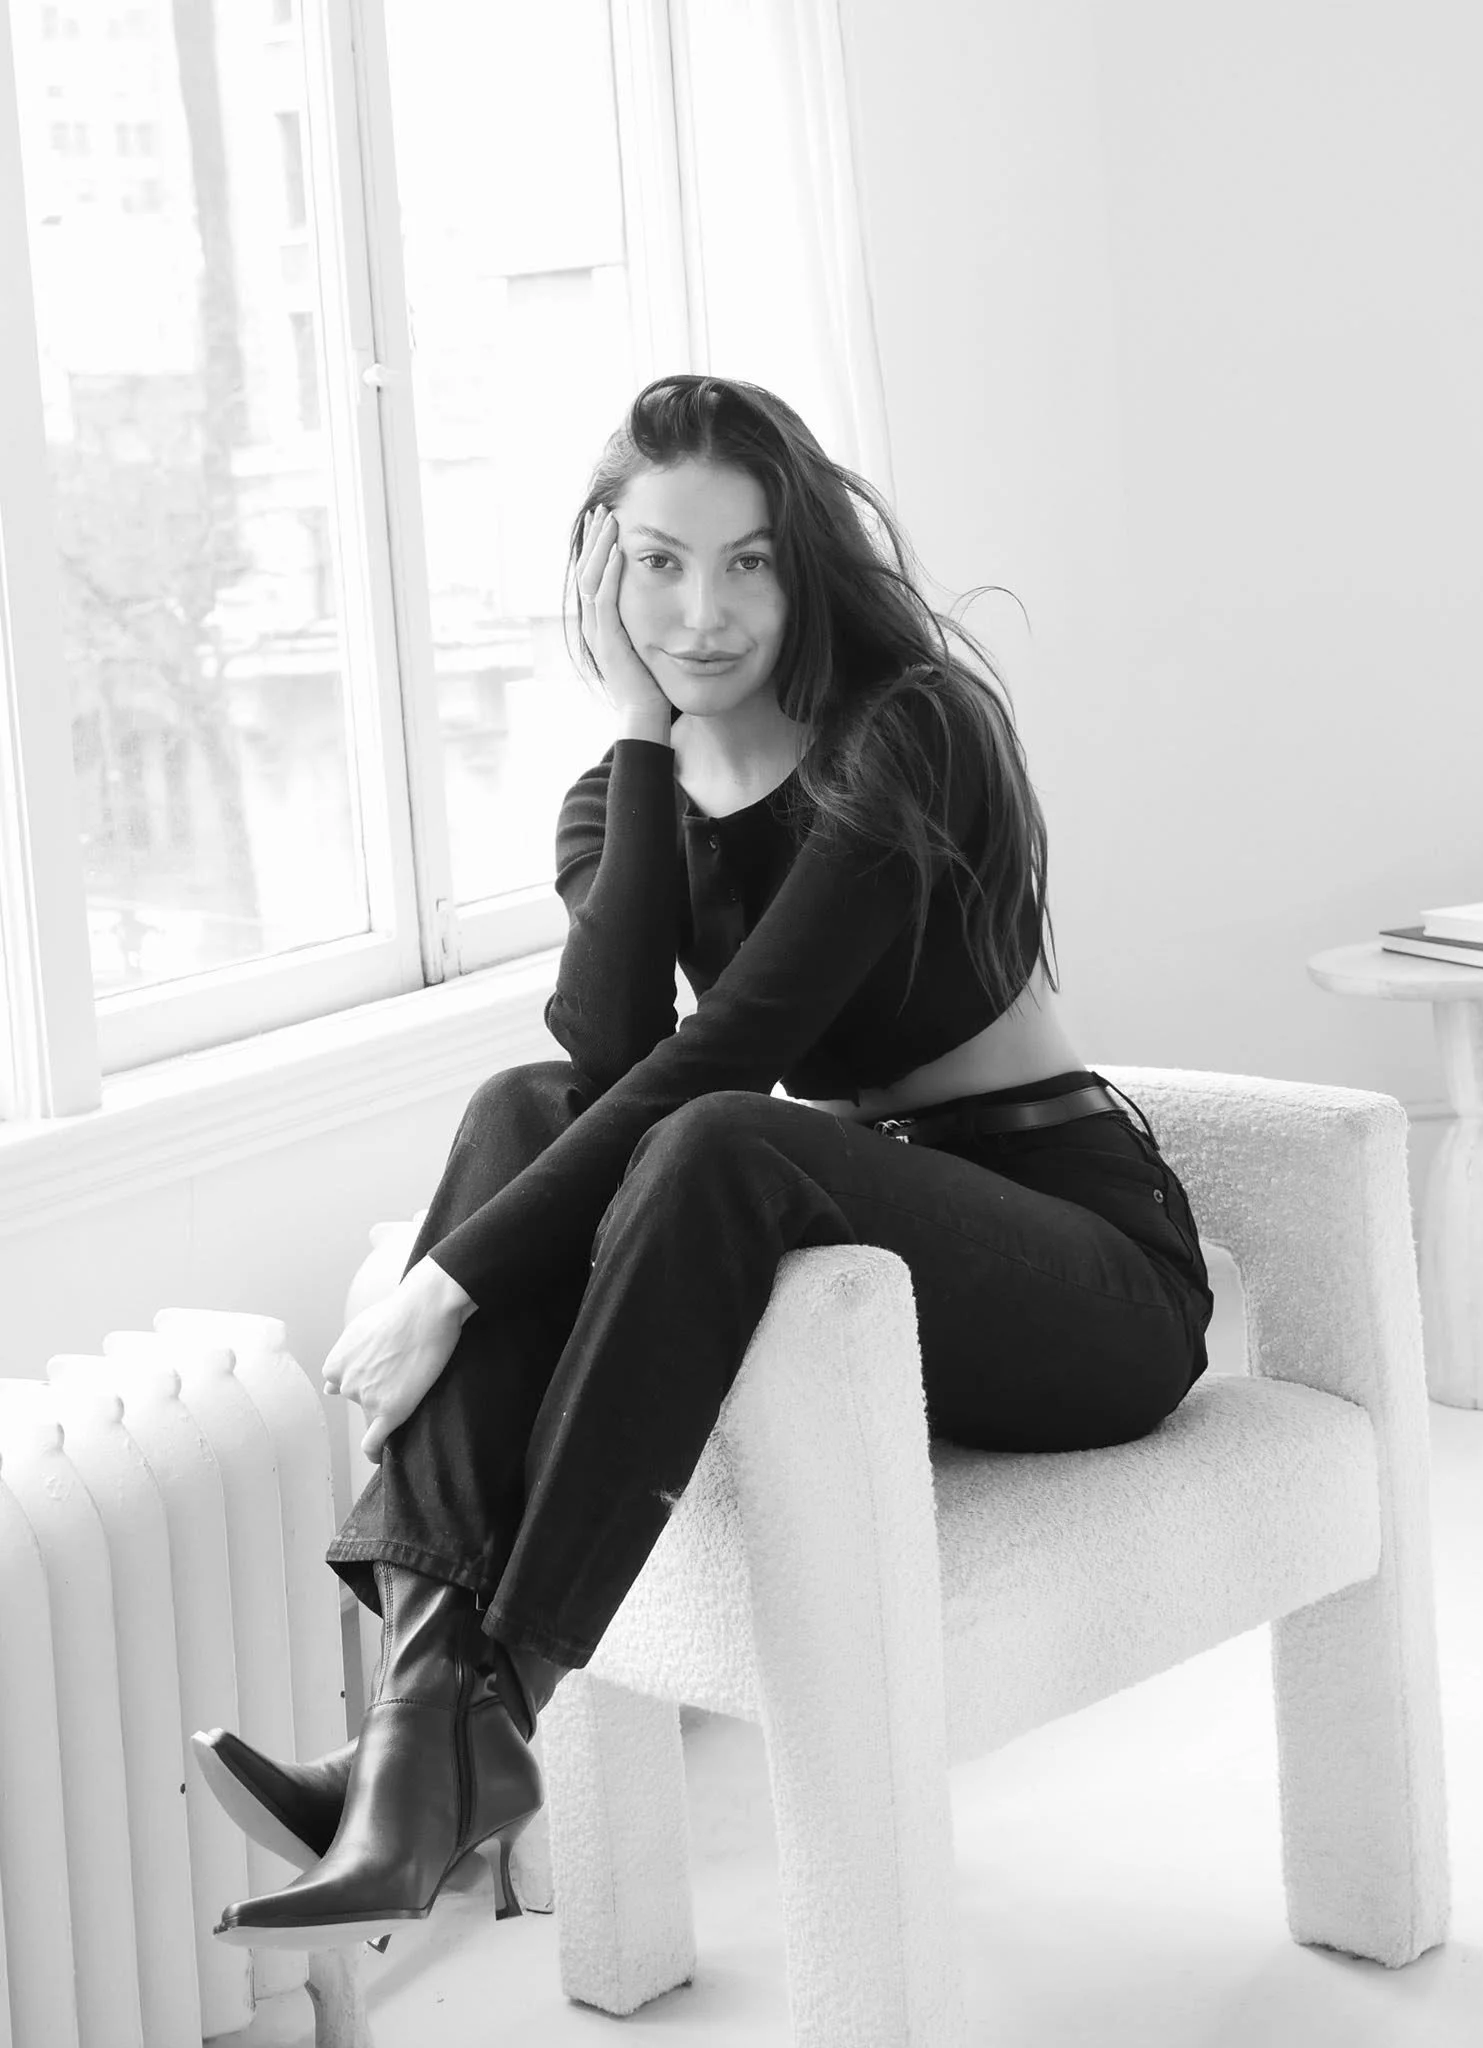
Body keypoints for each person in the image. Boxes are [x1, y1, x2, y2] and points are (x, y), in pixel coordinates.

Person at [195, 373, 1215, 1949]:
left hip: (1084, 1275)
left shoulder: (908, 730)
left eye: (750, 562)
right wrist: (636, 734)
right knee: (525, 1102)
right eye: (660, 564)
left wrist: (447, 1284)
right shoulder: (622, 800)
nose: (704, 611)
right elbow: (606, 1061)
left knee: (722, 1130)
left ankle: (484, 1713)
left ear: (805, 568)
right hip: (882, 1275)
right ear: (601, 572)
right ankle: (425, 1727)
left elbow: (730, 1051)